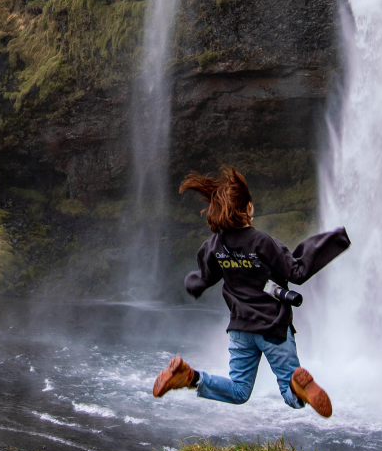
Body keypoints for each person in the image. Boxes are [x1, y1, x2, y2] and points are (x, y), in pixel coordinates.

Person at [150, 166, 350, 417]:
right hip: (273, 327)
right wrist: (335, 239)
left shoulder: (215, 245)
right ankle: (297, 388)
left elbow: (202, 279)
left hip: (241, 329)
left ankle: (190, 377)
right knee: (289, 392)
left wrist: (192, 282)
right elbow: (296, 272)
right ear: (247, 209)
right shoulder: (263, 242)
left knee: (239, 390)